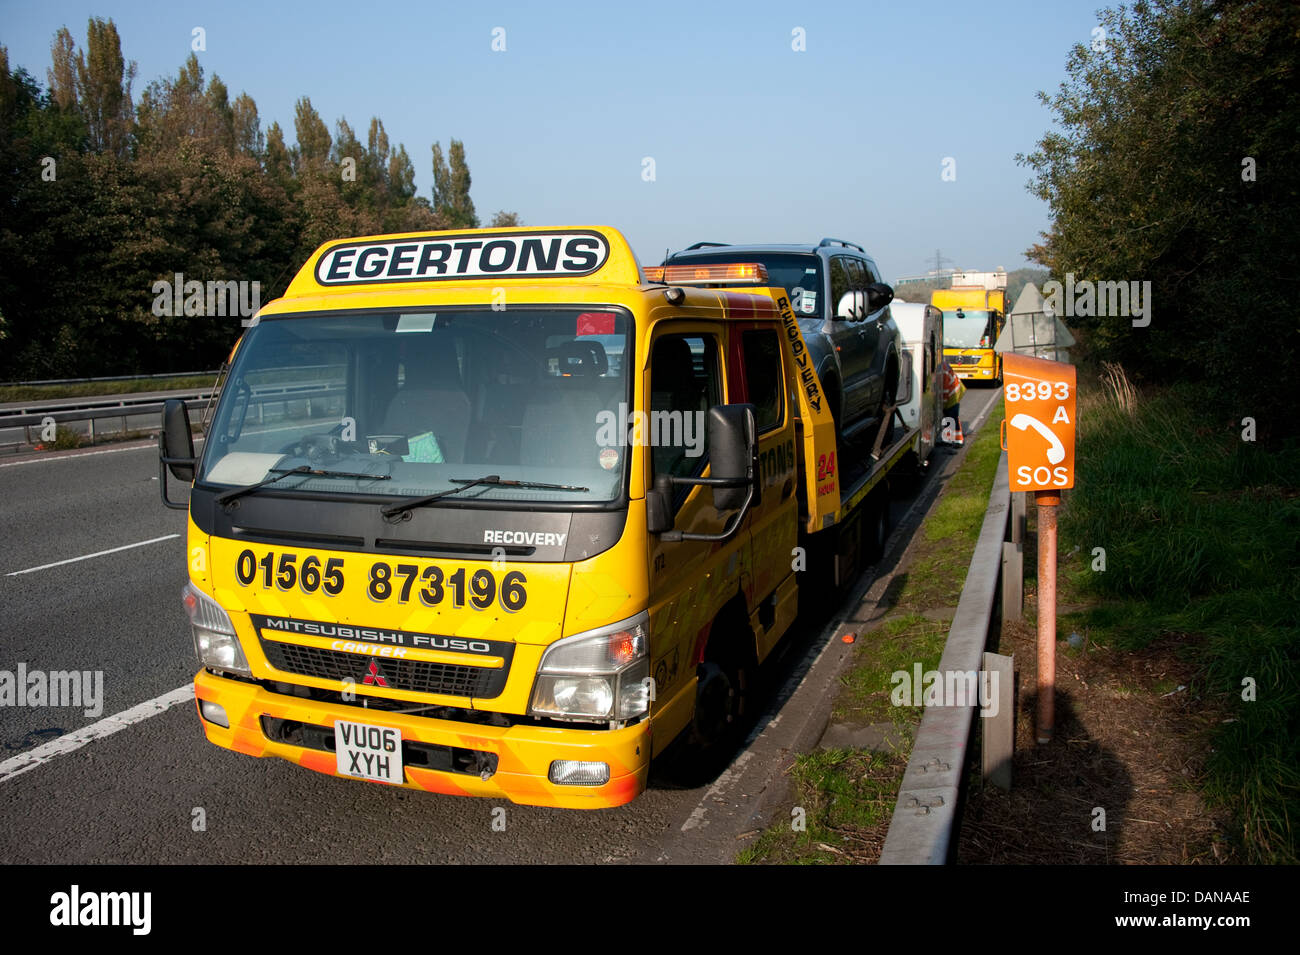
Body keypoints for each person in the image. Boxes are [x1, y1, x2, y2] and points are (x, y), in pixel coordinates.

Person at [940, 360, 965, 446]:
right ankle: (948, 439)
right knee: (948, 416)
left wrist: (942, 405)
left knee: (952, 415)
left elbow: (945, 390)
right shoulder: (942, 366)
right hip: (954, 389)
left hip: (954, 392)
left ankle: (958, 440)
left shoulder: (943, 372)